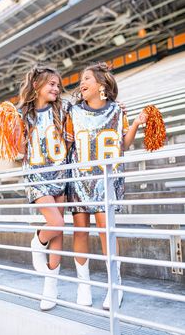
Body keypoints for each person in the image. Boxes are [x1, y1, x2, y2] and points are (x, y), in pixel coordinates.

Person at [66, 62, 148, 309]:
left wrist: (135, 123)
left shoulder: (116, 110)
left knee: (105, 230)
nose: (82, 82)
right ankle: (84, 286)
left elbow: (123, 143)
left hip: (105, 180)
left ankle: (115, 286)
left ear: (101, 84)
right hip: (79, 179)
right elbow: (68, 142)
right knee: (80, 230)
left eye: (87, 78)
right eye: (81, 78)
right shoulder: (73, 112)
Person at [15, 65, 72, 311]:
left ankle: (51, 287)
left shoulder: (64, 108)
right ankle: (37, 242)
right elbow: (18, 151)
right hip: (37, 177)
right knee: (56, 224)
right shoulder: (21, 115)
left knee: (58, 233)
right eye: (51, 84)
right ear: (37, 85)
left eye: (58, 85)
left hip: (60, 173)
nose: (56, 89)